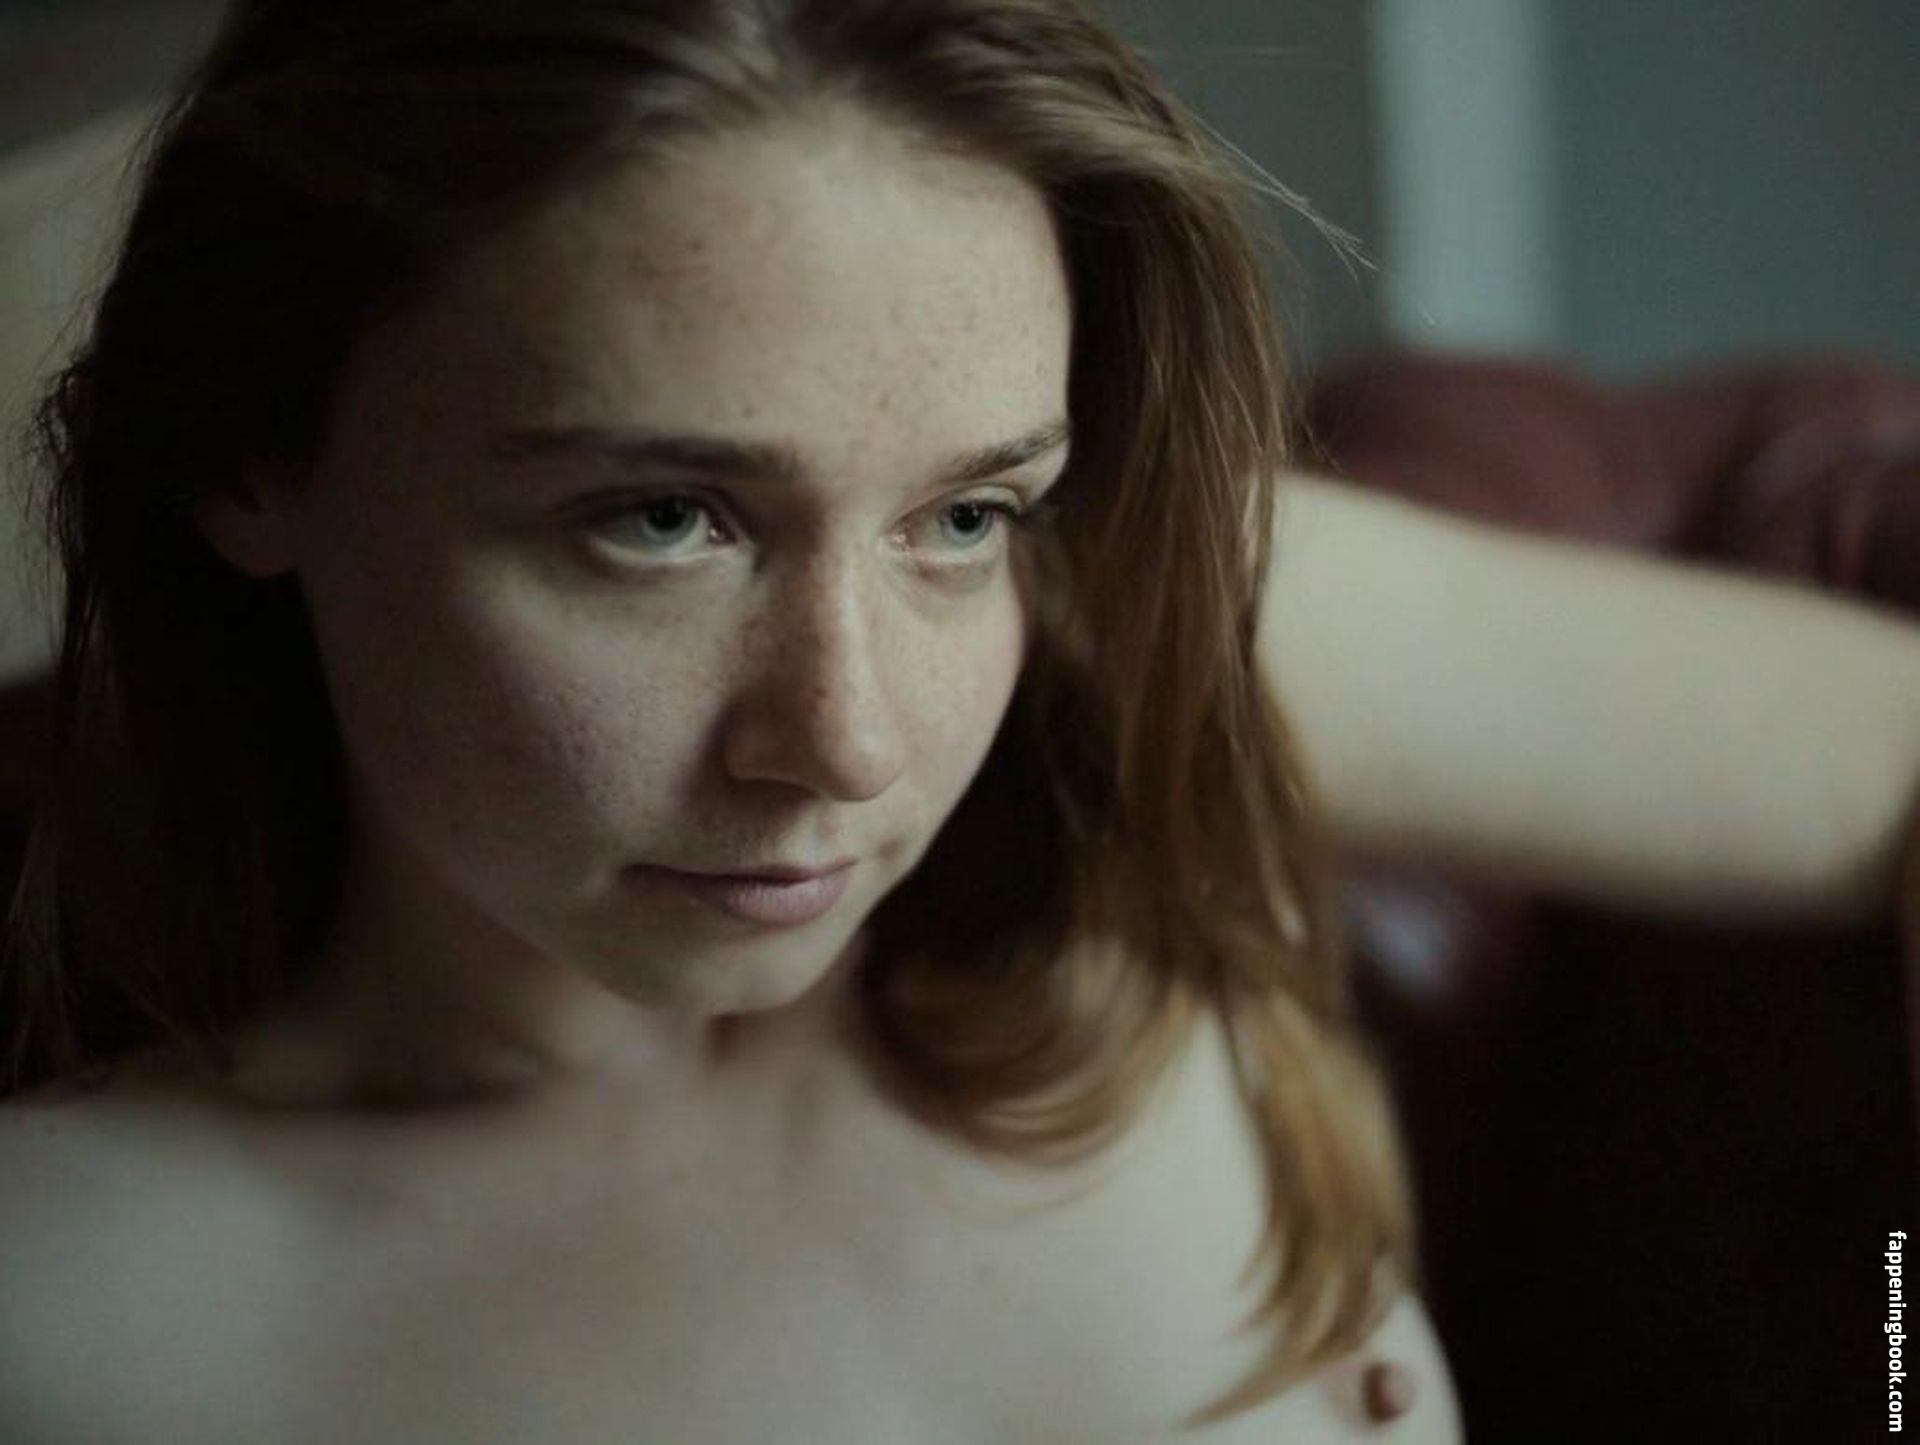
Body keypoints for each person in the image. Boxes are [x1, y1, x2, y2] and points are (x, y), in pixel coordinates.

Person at [0, 2, 1915, 1440]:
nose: (848, 740)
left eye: (968, 513)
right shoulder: (77, 1325)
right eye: (660, 520)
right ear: (253, 452)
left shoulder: (1145, 624)